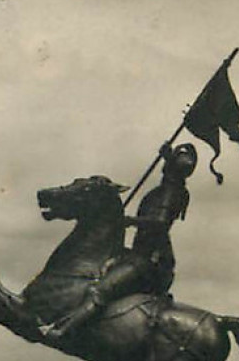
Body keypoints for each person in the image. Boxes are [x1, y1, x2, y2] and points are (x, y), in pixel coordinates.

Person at [44, 143, 198, 342]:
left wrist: (128, 221)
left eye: (169, 163)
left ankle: (62, 332)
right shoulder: (164, 190)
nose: (164, 165)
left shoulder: (170, 192)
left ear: (173, 169)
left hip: (150, 260)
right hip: (137, 254)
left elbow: (159, 223)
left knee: (98, 289)